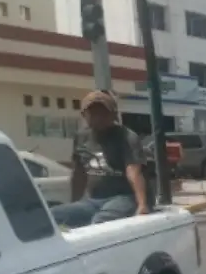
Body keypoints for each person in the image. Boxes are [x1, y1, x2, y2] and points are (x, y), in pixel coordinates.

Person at [50, 91, 150, 227]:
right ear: (84, 115)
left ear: (113, 114)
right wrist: (74, 203)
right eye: (92, 113)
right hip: (93, 201)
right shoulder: (81, 137)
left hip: (124, 198)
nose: (98, 117)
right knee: (53, 216)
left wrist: (142, 205)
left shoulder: (127, 137)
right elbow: (79, 174)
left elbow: (134, 172)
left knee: (101, 221)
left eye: (103, 112)